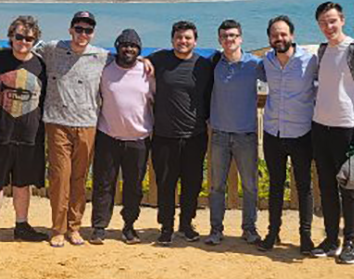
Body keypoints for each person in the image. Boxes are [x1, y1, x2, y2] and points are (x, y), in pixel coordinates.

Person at [311, 1, 354, 266]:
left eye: (332, 21)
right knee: (326, 187)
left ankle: (350, 242)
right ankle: (330, 240)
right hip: (320, 127)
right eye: (323, 22)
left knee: (350, 189)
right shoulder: (323, 50)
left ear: (342, 20)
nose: (328, 27)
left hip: (348, 128)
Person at [0, 16, 48, 249]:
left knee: (22, 183)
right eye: (18, 37)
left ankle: (21, 224)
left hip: (30, 136)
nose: (23, 42)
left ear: (35, 39)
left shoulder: (41, 64)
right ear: (10, 37)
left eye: (29, 38)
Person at [39, 11, 109, 247]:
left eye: (88, 30)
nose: (83, 34)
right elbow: (23, 49)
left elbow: (126, 61)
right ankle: (57, 228)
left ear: (93, 33)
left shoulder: (101, 55)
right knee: (60, 177)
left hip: (87, 123)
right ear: (70, 29)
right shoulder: (51, 49)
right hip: (57, 122)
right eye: (78, 29)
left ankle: (74, 226)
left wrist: (145, 60)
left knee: (79, 178)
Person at [148, 20, 214, 245]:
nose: (183, 41)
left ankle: (186, 224)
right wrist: (142, 60)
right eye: (179, 37)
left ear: (195, 41)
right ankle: (166, 227)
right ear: (172, 39)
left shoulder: (204, 65)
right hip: (164, 136)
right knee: (165, 183)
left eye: (187, 38)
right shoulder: (159, 59)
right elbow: (139, 61)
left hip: (195, 136)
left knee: (192, 184)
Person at [259, 15, 317, 255]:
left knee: (304, 187)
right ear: (269, 39)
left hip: (302, 133)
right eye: (274, 35)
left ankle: (306, 236)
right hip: (273, 131)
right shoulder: (266, 61)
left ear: (292, 35)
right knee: (275, 185)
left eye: (283, 34)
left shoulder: (310, 60)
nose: (279, 38)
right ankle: (273, 232)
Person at [90, 28, 153, 244]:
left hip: (138, 139)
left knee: (133, 186)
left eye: (134, 46)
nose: (129, 49)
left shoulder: (147, 72)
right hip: (108, 136)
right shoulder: (105, 70)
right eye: (125, 45)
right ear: (117, 47)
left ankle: (129, 226)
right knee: (103, 183)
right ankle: (99, 227)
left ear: (139, 50)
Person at [206, 19, 262, 246]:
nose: (229, 40)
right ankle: (215, 230)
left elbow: (282, 74)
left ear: (241, 38)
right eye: (225, 36)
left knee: (250, 186)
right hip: (219, 134)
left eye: (233, 36)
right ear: (220, 40)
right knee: (216, 186)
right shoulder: (213, 63)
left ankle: (249, 229)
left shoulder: (255, 64)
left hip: (246, 135)